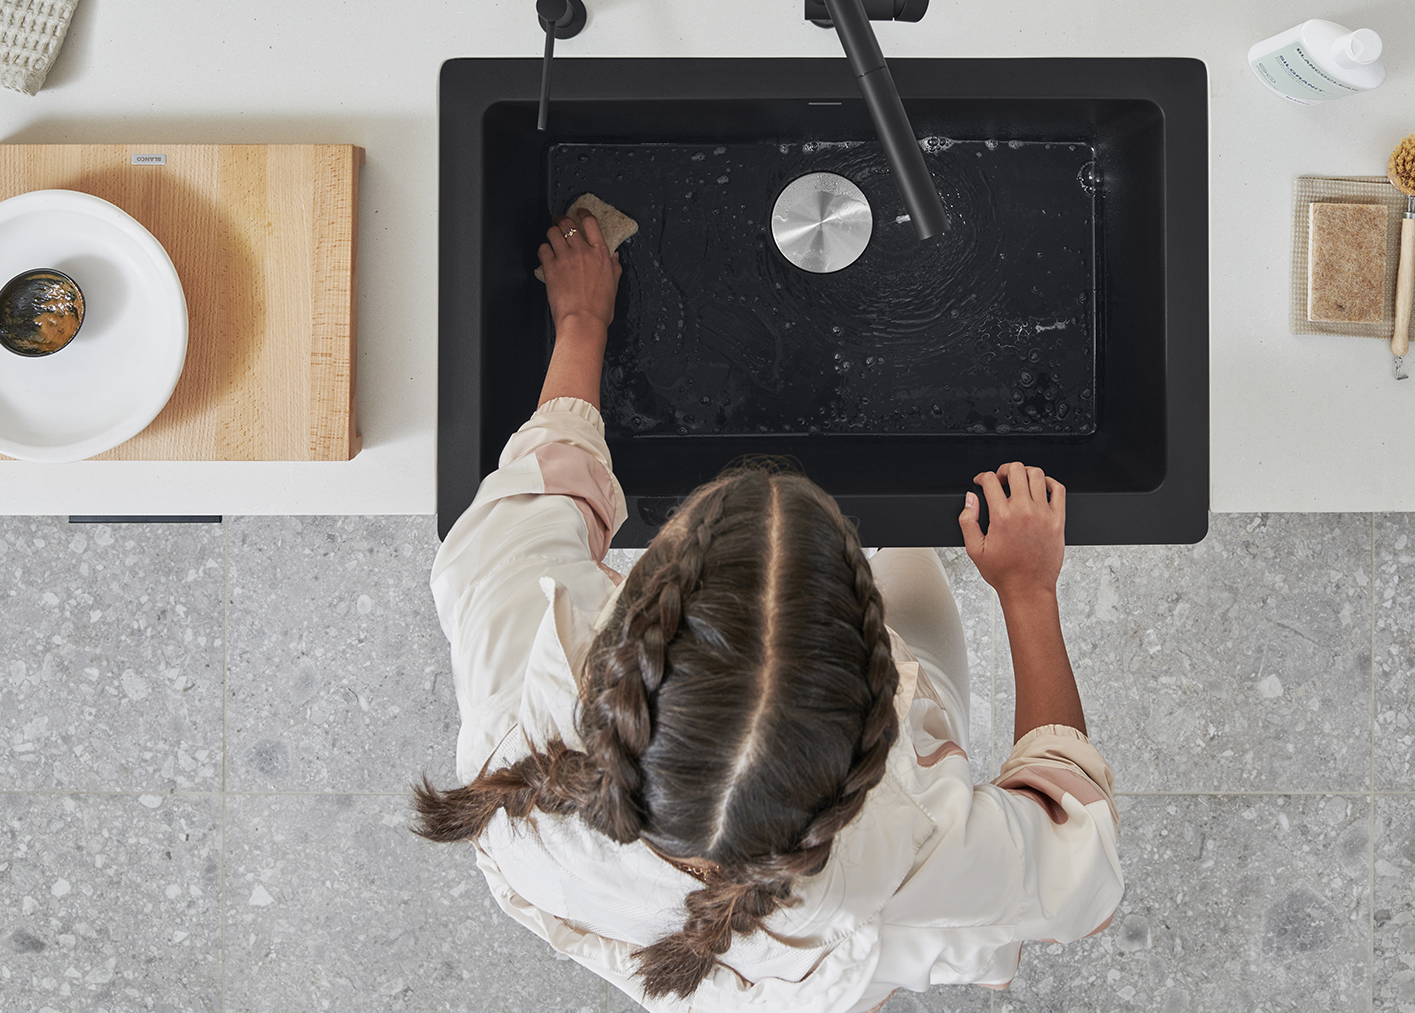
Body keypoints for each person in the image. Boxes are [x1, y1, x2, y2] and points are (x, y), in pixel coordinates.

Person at [414, 211, 1123, 1011]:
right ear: (875, 710)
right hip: (844, 951)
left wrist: (581, 321)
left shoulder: (519, 684)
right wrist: (1028, 593)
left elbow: (549, 481)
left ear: (632, 617)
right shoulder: (914, 848)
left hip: (679, 933)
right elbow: (1080, 868)